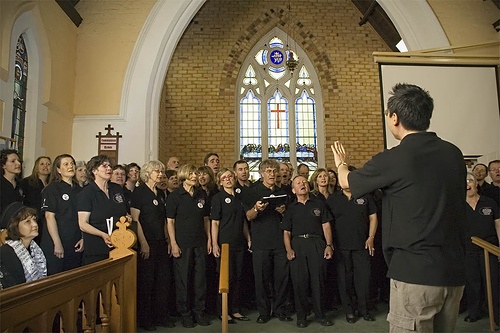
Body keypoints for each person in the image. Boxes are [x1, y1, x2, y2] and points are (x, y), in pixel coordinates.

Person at [331, 83, 466, 332]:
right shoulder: (454, 154)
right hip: (454, 272)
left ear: (394, 118)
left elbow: (345, 182)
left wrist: (341, 164)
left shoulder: (396, 157)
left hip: (415, 275)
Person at [282, 175, 334, 328]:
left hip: (317, 243)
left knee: (318, 281)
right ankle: (302, 316)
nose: (302, 184)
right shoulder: (291, 209)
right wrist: (289, 249)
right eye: (298, 183)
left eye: (304, 182)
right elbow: (286, 232)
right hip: (298, 245)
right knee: (300, 282)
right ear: (293, 190)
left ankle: (320, 315)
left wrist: (329, 245)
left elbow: (326, 226)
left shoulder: (319, 204)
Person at [326, 173, 378, 323]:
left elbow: (373, 217)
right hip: (341, 247)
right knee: (344, 280)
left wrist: (371, 237)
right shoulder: (333, 199)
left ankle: (364, 309)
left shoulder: (365, 196)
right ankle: (349, 311)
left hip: (362, 245)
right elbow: (326, 222)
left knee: (364, 279)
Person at [245, 159, 291, 324]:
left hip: (280, 242)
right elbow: (248, 216)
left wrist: (284, 211)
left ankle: (279, 309)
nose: (272, 174)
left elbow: (290, 218)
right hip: (261, 242)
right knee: (262, 280)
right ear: (262, 173)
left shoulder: (284, 191)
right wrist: (257, 208)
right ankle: (264, 312)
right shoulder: (253, 191)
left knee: (282, 278)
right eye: (269, 171)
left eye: (274, 171)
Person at [166, 164, 212, 328]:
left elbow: (206, 219)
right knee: (183, 280)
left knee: (200, 281)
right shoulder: (175, 196)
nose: (195, 176)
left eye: (196, 173)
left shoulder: (201, 194)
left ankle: (199, 312)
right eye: (192, 174)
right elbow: (170, 222)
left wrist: (209, 240)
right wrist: (173, 243)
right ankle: (185, 314)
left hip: (199, 243)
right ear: (184, 176)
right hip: (182, 244)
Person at [130, 160, 174, 330]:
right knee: (147, 282)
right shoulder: (139, 193)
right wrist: (143, 243)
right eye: (157, 171)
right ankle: (145, 319)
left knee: (163, 281)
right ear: (147, 173)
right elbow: (136, 220)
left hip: (161, 243)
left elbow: (163, 220)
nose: (161, 174)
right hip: (147, 242)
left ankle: (161, 316)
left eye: (162, 171)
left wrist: (168, 240)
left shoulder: (160, 193)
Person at [211, 168, 251, 323]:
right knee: (226, 279)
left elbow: (243, 222)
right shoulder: (218, 198)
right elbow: (214, 223)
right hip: (224, 243)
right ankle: (223, 311)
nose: (228, 179)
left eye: (230, 177)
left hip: (238, 243)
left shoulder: (239, 198)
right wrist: (215, 244)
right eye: (224, 178)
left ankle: (235, 309)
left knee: (238, 277)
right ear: (220, 182)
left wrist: (248, 238)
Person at [77, 155, 129, 265]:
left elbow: (123, 211)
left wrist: (127, 217)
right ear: (94, 171)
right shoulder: (86, 193)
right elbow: (83, 224)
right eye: (104, 166)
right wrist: (103, 235)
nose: (109, 168)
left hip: (120, 244)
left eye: (110, 166)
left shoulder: (116, 189)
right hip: (97, 249)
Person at [463, 173, 499, 325]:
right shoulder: (456, 205)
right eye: (463, 182)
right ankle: (474, 312)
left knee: (494, 283)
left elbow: (498, 224)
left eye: (470, 180)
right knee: (472, 283)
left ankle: (497, 315)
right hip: (468, 251)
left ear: (476, 184)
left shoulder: (489, 203)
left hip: (490, 250)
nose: (467, 184)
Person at [40, 154, 84, 275]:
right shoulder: (52, 189)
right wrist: (57, 243)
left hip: (75, 243)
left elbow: (83, 218)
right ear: (58, 170)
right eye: (66, 164)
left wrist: (83, 237)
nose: (70, 166)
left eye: (72, 163)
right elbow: (49, 217)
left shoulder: (80, 190)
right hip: (57, 242)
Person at [0, 202, 47, 288]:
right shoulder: (6, 253)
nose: (35, 224)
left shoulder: (35, 249)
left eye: (34, 219)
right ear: (14, 227)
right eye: (27, 222)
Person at [1, 149, 23, 220]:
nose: (18, 163)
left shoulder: (21, 184)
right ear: (3, 165)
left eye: (18, 161)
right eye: (13, 161)